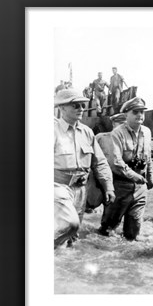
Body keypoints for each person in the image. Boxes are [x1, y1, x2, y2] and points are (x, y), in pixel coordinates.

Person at [54, 89, 115, 249]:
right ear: (61, 108)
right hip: (58, 187)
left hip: (81, 189)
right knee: (70, 224)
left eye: (82, 105)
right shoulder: (52, 131)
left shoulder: (87, 132)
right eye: (75, 105)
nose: (81, 108)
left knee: (72, 238)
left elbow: (100, 162)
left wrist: (108, 186)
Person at [98, 97, 153, 240]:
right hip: (120, 185)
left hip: (140, 187)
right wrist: (134, 176)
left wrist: (150, 177)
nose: (140, 115)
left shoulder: (147, 132)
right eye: (135, 112)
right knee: (108, 230)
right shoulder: (118, 133)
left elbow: (148, 158)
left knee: (133, 233)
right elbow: (116, 161)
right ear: (126, 114)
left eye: (142, 112)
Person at [85, 113, 127, 211]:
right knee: (91, 203)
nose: (122, 127)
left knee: (112, 208)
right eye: (119, 123)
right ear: (113, 124)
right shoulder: (101, 137)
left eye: (124, 124)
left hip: (118, 178)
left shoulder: (128, 140)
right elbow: (91, 156)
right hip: (101, 176)